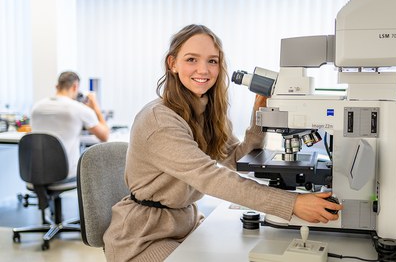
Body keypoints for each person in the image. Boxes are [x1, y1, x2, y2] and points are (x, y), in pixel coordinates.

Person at [103, 24, 342, 261]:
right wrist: (291, 203)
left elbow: (236, 160)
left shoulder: (206, 111)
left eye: (212, 61)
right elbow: (210, 177)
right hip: (143, 238)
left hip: (186, 224)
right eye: (191, 59)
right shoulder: (160, 120)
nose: (203, 70)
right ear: (172, 64)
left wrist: (258, 116)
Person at [31, 71, 110, 179]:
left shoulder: (37, 107)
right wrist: (95, 107)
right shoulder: (79, 108)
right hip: (65, 173)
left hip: (34, 173)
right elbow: (105, 136)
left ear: (57, 86)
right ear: (75, 86)